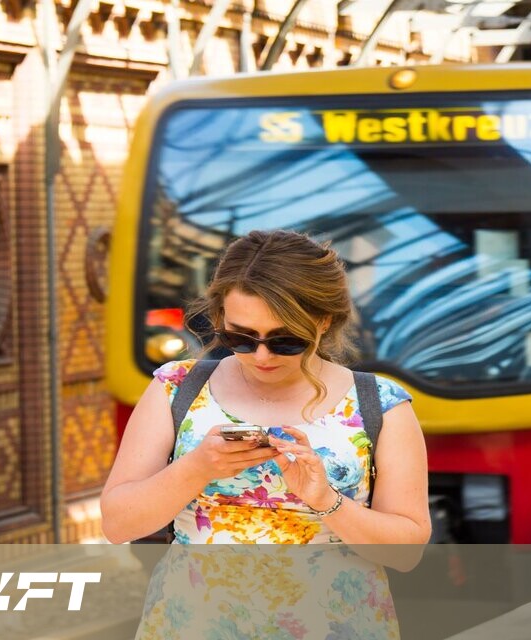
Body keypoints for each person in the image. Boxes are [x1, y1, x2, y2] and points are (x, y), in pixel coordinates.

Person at [101, 230, 431, 638]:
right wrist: (198, 467)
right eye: (240, 337)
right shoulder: (176, 388)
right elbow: (117, 525)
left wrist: (325, 501)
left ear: (323, 321)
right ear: (220, 318)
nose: (261, 356)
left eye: (285, 341)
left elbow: (407, 553)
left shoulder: (379, 403)